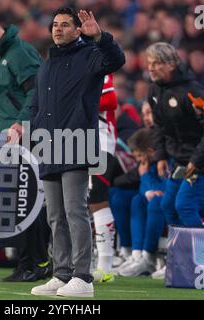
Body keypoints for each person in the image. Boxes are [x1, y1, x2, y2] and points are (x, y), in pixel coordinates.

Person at [30, 7, 124, 298]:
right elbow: (37, 104)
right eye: (55, 24)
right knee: (55, 215)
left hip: (77, 142)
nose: (57, 29)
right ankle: (62, 274)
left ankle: (83, 277)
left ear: (78, 29)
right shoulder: (47, 63)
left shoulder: (89, 55)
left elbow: (116, 60)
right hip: (49, 144)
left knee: (75, 211)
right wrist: (33, 133)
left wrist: (101, 36)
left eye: (65, 25)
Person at [0, 12, 51, 282]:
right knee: (18, 204)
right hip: (13, 139)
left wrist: (20, 124)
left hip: (25, 138)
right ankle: (26, 262)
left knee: (28, 202)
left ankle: (37, 263)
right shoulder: (6, 55)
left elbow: (36, 91)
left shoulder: (18, 53)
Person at [147, 42, 204, 229]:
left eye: (156, 63)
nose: (150, 68)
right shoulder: (155, 90)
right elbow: (158, 125)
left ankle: (202, 255)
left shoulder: (192, 91)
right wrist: (161, 156)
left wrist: (197, 160)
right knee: (168, 206)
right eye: (149, 63)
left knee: (185, 205)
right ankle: (181, 254)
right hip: (180, 159)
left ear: (171, 65)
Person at [116, 128, 165, 277]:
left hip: (187, 204)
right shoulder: (148, 164)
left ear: (150, 151)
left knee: (156, 202)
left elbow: (162, 190)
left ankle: (148, 258)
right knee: (138, 200)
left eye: (139, 155)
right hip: (160, 205)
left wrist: (144, 176)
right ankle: (137, 255)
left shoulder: (163, 162)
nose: (137, 160)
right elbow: (145, 190)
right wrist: (145, 180)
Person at [89, 73, 118, 283]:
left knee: (97, 197)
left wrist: (75, 102)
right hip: (74, 138)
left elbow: (110, 100)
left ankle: (106, 265)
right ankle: (85, 262)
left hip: (100, 139)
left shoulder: (97, 62)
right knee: (77, 200)